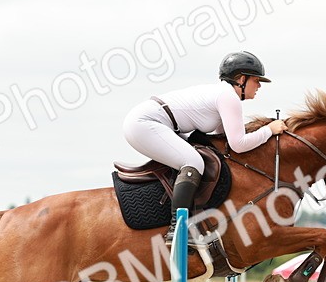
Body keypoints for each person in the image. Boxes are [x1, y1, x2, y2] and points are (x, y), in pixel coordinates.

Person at [122, 51, 287, 244]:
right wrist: (269, 130)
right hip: (145, 123)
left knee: (195, 158)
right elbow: (239, 144)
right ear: (241, 79)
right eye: (256, 80)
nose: (259, 85)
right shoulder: (228, 97)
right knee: (193, 161)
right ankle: (178, 228)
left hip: (157, 123)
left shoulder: (224, 95)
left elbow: (224, 141)